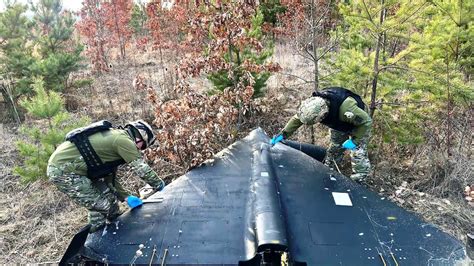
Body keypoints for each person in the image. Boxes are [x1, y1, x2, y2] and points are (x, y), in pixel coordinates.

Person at [47, 120, 165, 232]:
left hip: (79, 168)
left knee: (112, 203)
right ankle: (94, 237)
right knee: (101, 206)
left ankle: (114, 229)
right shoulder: (123, 141)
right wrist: (159, 185)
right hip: (63, 170)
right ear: (140, 137)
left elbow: (110, 177)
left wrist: (126, 196)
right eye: (143, 146)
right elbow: (141, 169)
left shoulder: (117, 139)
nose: (141, 149)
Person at [271, 87, 372, 182]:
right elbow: (297, 119)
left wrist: (355, 140)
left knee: (358, 151)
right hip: (338, 122)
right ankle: (329, 171)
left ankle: (360, 179)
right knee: (335, 146)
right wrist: (283, 134)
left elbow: (366, 122)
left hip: (359, 124)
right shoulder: (312, 106)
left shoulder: (347, 109)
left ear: (323, 115)